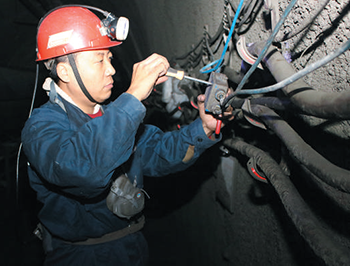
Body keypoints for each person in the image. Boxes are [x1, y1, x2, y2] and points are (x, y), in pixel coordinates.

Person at [21, 5, 232, 266]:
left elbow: (157, 153)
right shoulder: (41, 126)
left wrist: (204, 128)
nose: (110, 69)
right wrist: (132, 97)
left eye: (109, 58)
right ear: (65, 72)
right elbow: (83, 172)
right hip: (81, 257)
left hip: (131, 246)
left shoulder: (113, 115)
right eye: (99, 60)